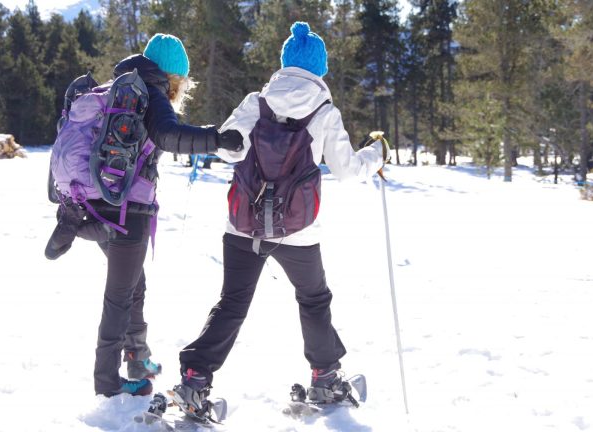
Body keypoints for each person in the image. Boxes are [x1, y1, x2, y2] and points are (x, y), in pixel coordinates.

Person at [169, 22, 388, 415]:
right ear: (319, 70)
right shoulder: (324, 111)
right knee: (313, 299)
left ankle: (194, 381)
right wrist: (378, 154)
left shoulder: (256, 101)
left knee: (232, 302)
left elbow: (229, 150)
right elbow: (347, 169)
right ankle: (324, 378)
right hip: (299, 231)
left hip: (242, 225)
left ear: (285, 65)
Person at [45, 33, 243, 398]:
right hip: (126, 210)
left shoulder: (117, 87)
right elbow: (169, 135)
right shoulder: (152, 91)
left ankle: (137, 356)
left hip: (94, 200)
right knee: (119, 296)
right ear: (174, 77)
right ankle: (107, 382)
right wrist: (217, 139)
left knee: (135, 285)